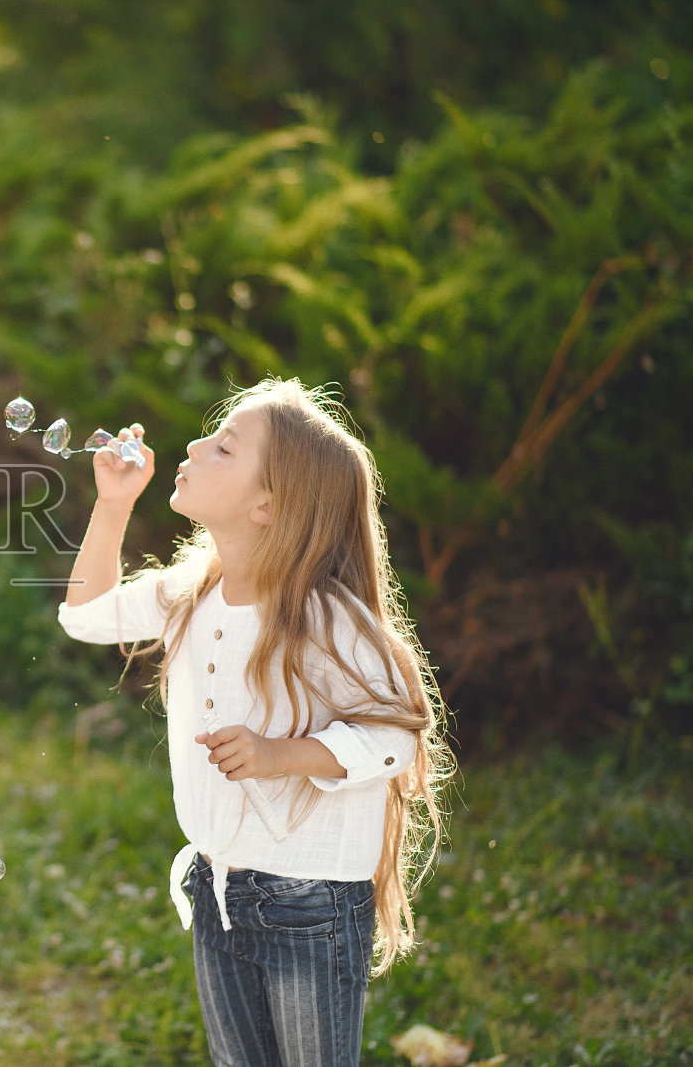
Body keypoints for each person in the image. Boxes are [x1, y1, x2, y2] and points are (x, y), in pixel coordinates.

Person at [57, 379, 452, 1067]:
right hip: (219, 891)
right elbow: (84, 616)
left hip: (311, 900)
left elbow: (397, 737)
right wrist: (114, 504)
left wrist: (280, 754)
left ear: (266, 505)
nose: (193, 446)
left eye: (223, 446)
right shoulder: (192, 592)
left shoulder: (322, 616)